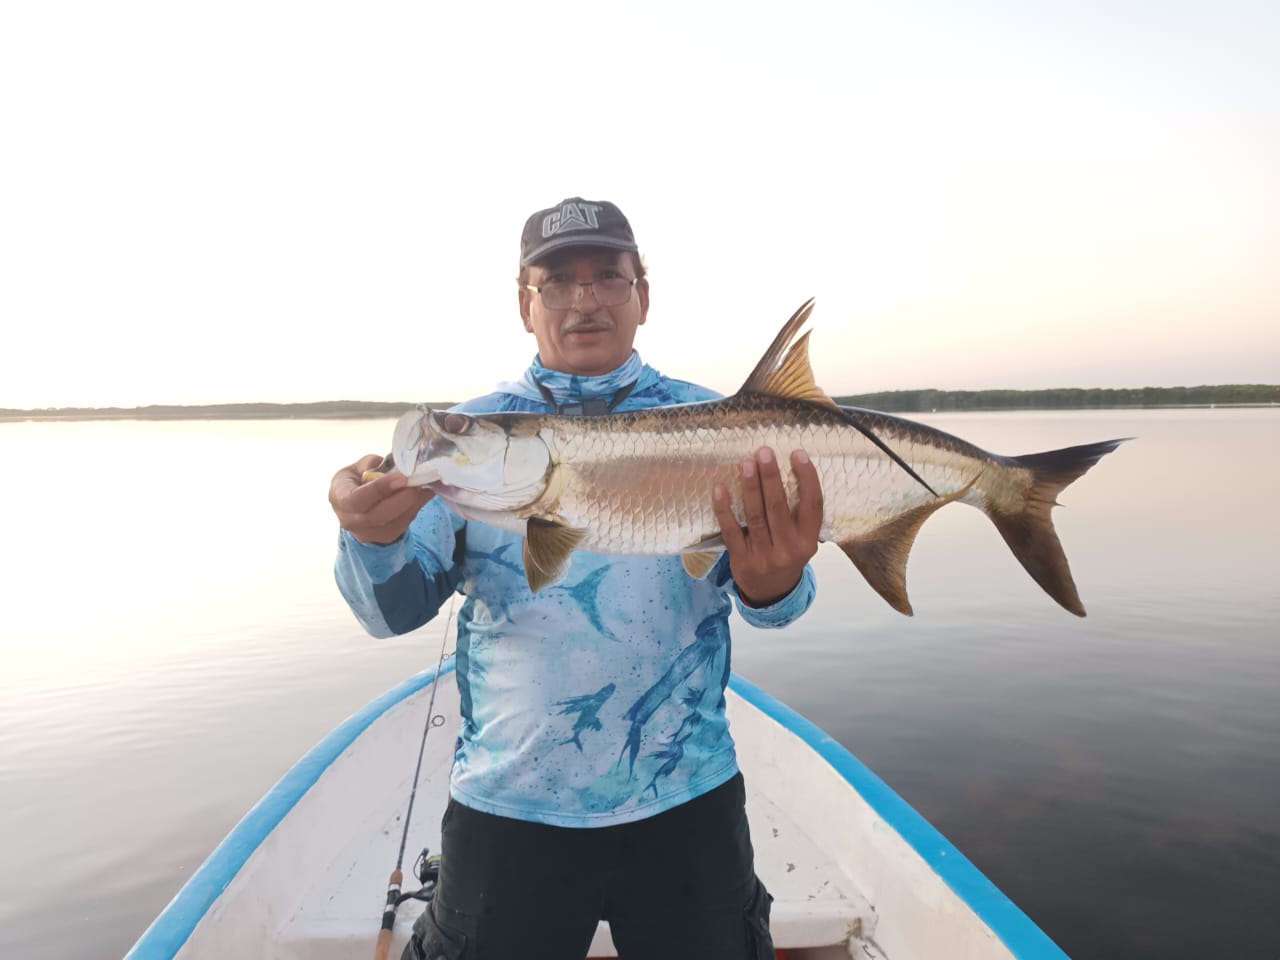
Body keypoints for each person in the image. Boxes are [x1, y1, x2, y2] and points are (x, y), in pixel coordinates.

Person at [329, 197, 823, 960]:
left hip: (685, 796)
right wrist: (371, 542)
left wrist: (775, 579)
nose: (585, 298)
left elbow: (777, 606)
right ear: (524, 305)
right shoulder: (471, 441)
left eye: (609, 278)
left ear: (643, 297)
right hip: (510, 806)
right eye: (556, 282)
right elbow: (392, 612)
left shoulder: (723, 426)